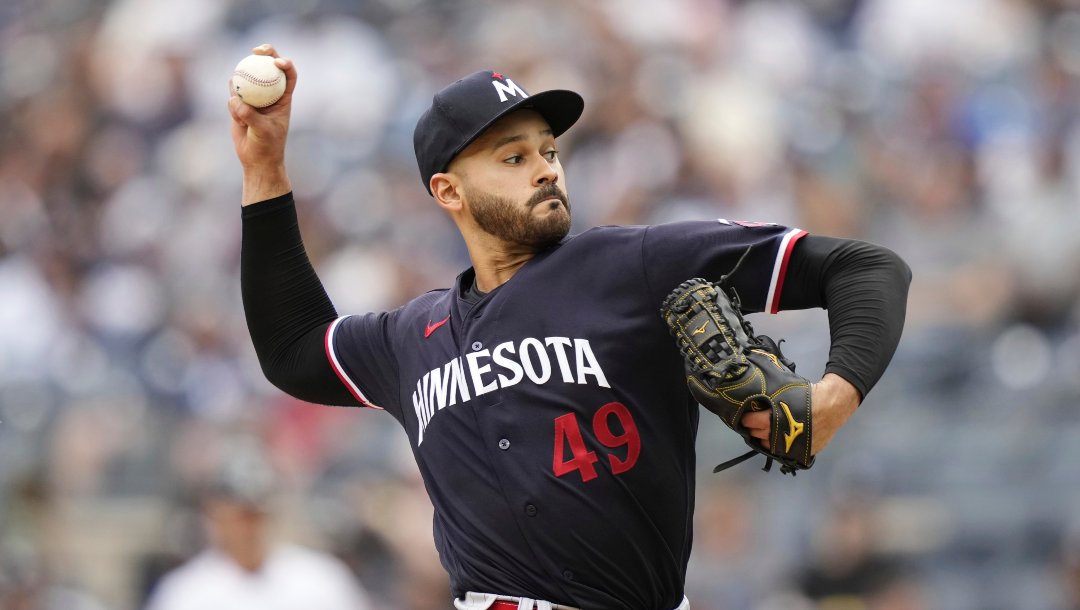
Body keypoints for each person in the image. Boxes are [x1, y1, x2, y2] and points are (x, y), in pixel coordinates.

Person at [227, 44, 911, 610]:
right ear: (448, 191)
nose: (546, 169)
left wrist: (834, 395)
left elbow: (865, 268)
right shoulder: (411, 337)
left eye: (548, 149)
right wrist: (264, 169)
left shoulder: (632, 265)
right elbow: (293, 350)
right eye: (513, 157)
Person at [143, 440, 372, 610]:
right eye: (239, 515)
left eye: (255, 514)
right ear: (215, 513)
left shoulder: (322, 578)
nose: (248, 527)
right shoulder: (186, 593)